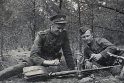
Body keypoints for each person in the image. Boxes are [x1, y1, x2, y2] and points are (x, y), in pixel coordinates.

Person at [0, 14, 75, 80]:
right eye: (58, 28)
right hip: (36, 60)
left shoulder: (64, 34)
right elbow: (33, 55)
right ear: (52, 25)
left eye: (62, 28)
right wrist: (47, 62)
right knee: (18, 68)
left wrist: (72, 69)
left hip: (52, 62)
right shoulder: (42, 35)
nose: (60, 31)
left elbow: (67, 52)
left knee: (56, 73)